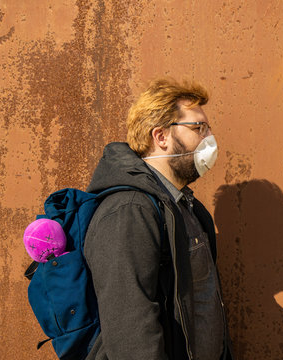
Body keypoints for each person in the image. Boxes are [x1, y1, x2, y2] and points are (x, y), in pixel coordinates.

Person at [84, 77, 234, 360]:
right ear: (161, 137)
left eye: (208, 127)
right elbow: (130, 326)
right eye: (198, 127)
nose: (209, 138)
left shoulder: (186, 207)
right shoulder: (130, 210)